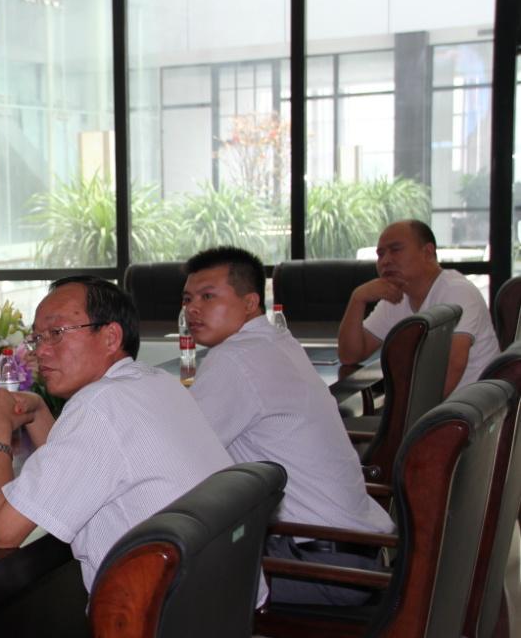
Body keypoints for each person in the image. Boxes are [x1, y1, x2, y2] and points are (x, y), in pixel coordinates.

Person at [0, 276, 233, 638]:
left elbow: (5, 528)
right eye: (36, 337)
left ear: (110, 336)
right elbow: (82, 470)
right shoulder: (151, 384)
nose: (41, 350)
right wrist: (41, 413)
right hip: (211, 634)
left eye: (56, 333)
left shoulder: (99, 409)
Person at [183, 247, 393, 606]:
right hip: (362, 552)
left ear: (250, 303)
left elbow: (179, 455)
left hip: (319, 566)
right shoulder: (276, 340)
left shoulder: (234, 358)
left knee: (161, 584)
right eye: (188, 299)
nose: (193, 309)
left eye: (208, 296)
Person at [339, 219, 498, 395]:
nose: (385, 261)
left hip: (476, 406)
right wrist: (358, 298)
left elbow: (453, 365)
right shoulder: (396, 298)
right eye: (380, 254)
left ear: (428, 252)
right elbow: (350, 355)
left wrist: (410, 413)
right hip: (438, 403)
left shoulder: (457, 291)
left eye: (395, 250)